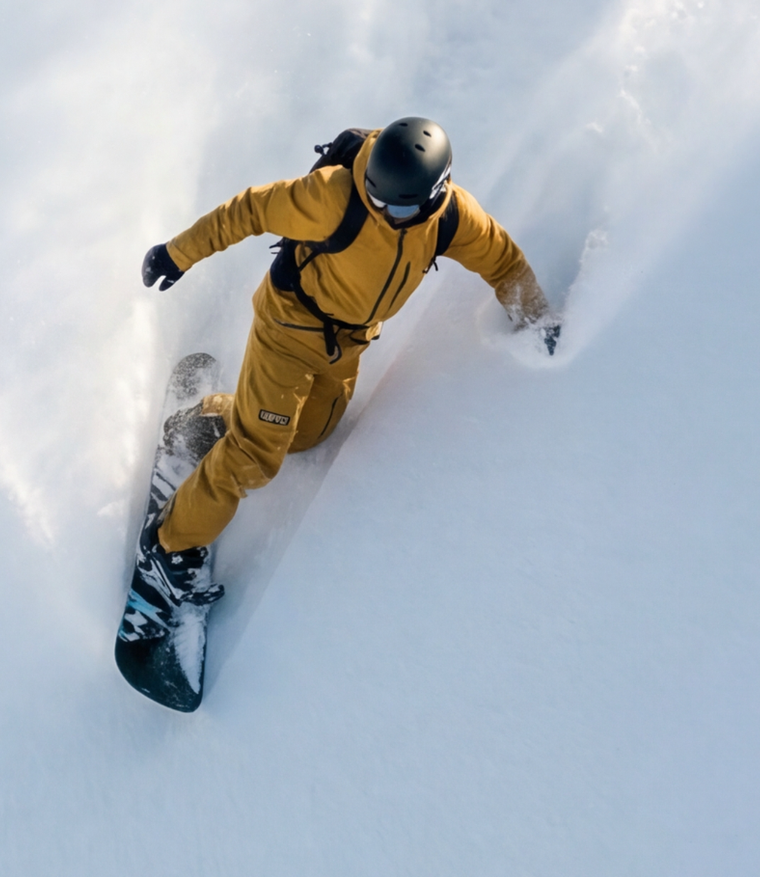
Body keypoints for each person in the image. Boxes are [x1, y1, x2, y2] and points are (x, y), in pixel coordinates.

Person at [131, 118, 554, 617]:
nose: (384, 213)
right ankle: (168, 548)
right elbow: (246, 211)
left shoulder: (452, 219)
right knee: (256, 454)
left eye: (397, 207)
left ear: (436, 194)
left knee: (308, 434)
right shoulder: (333, 197)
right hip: (288, 330)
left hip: (348, 344)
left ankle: (208, 418)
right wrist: (176, 255)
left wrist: (538, 320)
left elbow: (503, 262)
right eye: (376, 198)